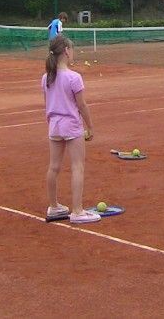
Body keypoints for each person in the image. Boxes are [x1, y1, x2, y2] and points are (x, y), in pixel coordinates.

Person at [43, 34, 99, 224]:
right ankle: (77, 211)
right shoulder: (74, 77)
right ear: (66, 51)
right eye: (71, 49)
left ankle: (54, 206)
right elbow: (82, 105)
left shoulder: (46, 77)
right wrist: (90, 127)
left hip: (54, 126)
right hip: (71, 125)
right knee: (77, 166)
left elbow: (47, 103)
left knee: (54, 167)